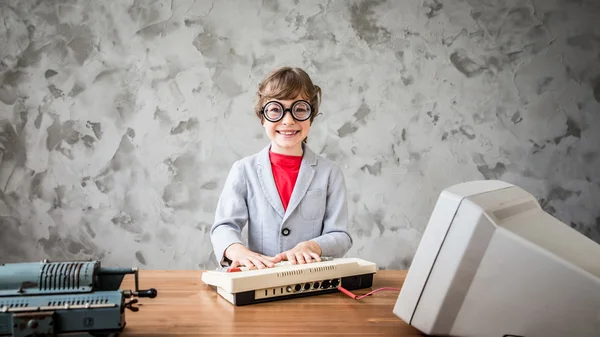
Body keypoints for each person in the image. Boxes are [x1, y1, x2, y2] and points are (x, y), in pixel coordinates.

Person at [210, 66, 353, 269]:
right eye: (276, 110)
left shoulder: (330, 173)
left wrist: (312, 246)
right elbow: (224, 226)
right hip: (259, 279)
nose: (288, 120)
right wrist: (237, 251)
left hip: (310, 280)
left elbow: (340, 235)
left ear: (311, 116)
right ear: (262, 117)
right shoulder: (244, 170)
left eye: (300, 109)